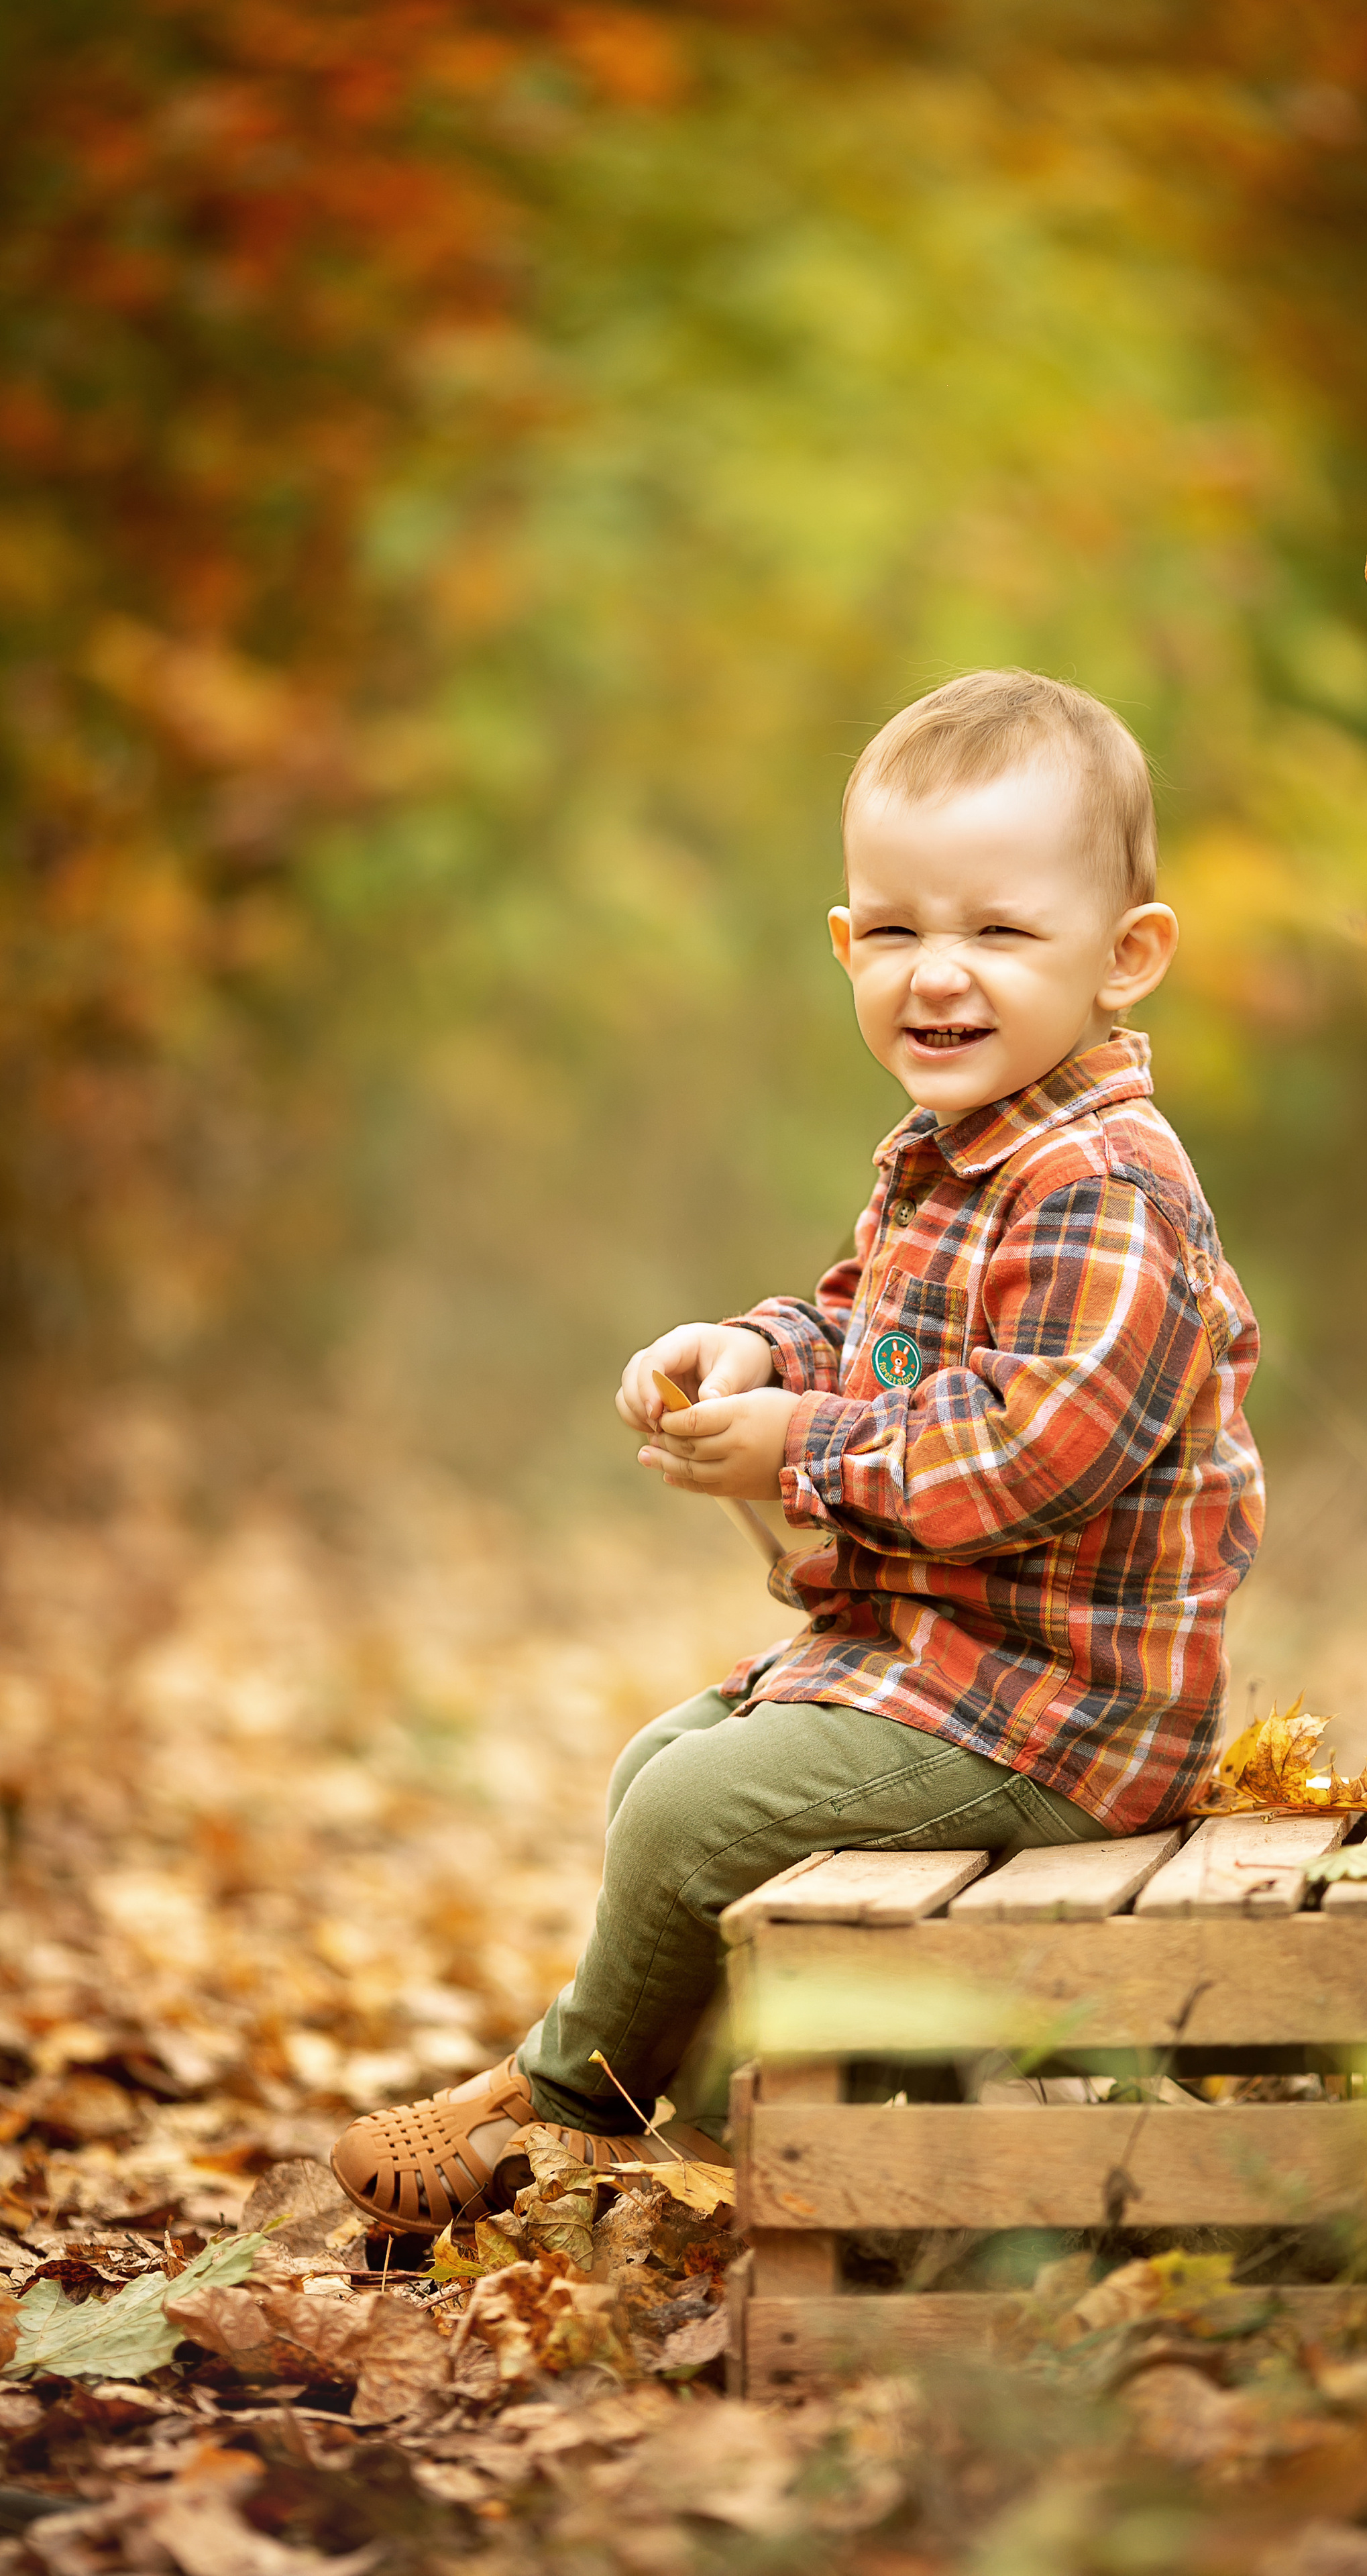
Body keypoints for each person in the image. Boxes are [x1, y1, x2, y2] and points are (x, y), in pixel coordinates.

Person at [330, 668, 1265, 2232]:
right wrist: (761, 1353)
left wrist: (799, 1448)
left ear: (1125, 960)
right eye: (893, 932)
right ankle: (716, 2127)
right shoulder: (957, 1157)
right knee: (662, 1768)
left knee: (699, 1815)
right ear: (843, 946)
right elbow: (871, 1326)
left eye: (996, 932)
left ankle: (568, 2114)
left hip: (1064, 1718)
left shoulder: (1103, 1185)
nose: (935, 975)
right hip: (953, 1668)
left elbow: (1031, 1455)